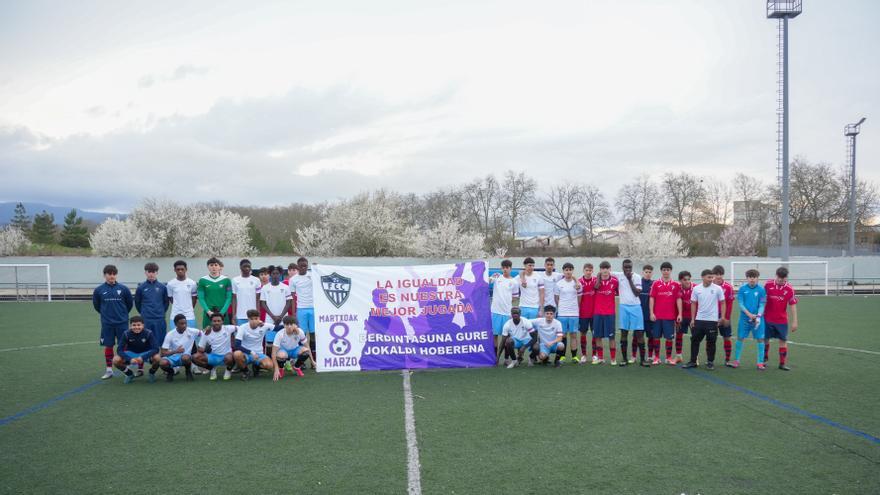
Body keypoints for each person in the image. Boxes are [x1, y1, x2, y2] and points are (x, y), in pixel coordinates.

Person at [93, 264, 133, 379]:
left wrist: (122, 315)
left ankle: (125, 367)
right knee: (108, 346)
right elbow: (97, 306)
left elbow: (129, 305)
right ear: (104, 275)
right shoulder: (99, 290)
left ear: (116, 275)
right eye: (109, 274)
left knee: (123, 346)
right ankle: (109, 370)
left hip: (122, 322)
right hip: (107, 323)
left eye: (114, 274)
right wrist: (106, 315)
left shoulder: (124, 289)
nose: (112, 276)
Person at [682, 269, 726, 370]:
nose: (711, 279)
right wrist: (693, 319)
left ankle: (710, 362)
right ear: (703, 277)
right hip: (699, 319)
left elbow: (723, 302)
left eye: (712, 277)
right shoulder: (696, 289)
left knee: (711, 341)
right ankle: (693, 361)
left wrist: (722, 317)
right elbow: (693, 303)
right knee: (694, 340)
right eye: (709, 277)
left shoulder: (718, 289)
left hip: (712, 320)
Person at [763, 267, 799, 371]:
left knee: (783, 341)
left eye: (783, 279)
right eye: (779, 278)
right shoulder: (768, 285)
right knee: (765, 339)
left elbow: (792, 305)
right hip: (767, 318)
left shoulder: (789, 289)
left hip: (781, 320)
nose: (780, 280)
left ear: (786, 278)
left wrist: (795, 321)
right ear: (776, 275)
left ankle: (782, 364)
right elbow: (762, 300)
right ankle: (764, 360)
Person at [613, 259, 647, 366]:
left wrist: (629, 280)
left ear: (632, 267)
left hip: (636, 307)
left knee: (639, 333)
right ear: (622, 267)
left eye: (629, 267)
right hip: (623, 307)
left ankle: (642, 360)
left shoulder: (636, 277)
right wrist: (600, 277)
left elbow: (637, 293)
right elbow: (603, 272)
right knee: (624, 333)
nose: (627, 269)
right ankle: (624, 359)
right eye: (626, 267)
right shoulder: (618, 275)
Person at [649, 261, 682, 366]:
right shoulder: (656, 283)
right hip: (657, 316)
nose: (666, 272)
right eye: (664, 270)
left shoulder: (676, 284)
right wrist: (651, 313)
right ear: (661, 271)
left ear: (671, 271)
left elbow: (678, 299)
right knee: (656, 337)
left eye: (668, 270)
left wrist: (680, 314)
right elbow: (652, 298)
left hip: (669, 316)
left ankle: (668, 357)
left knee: (669, 338)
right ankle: (657, 357)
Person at [733, 269, 767, 370]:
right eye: (750, 277)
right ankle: (736, 361)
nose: (752, 279)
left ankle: (760, 363)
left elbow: (762, 304)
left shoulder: (761, 290)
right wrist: (749, 314)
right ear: (747, 278)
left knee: (760, 339)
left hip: (758, 319)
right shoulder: (742, 289)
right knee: (740, 338)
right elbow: (741, 303)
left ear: (757, 278)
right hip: (744, 319)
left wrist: (759, 316)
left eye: (754, 277)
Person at [112, 315, 160, 384]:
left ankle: (151, 373)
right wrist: (129, 359)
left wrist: (143, 357)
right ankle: (129, 374)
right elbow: (119, 350)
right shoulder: (126, 334)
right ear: (130, 326)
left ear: (143, 325)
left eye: (138, 325)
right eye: (134, 325)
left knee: (158, 358)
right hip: (131, 353)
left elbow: (156, 349)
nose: (136, 327)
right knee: (115, 360)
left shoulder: (148, 333)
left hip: (145, 353)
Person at [490, 259, 520, 362]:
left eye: (507, 267)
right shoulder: (497, 277)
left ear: (511, 269)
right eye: (503, 267)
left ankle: (506, 359)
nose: (505, 269)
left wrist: (506, 301)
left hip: (507, 313)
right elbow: (487, 280)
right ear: (501, 268)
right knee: (494, 336)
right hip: (495, 311)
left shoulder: (514, 282)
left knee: (507, 337)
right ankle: (495, 357)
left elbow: (515, 297)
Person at [193, 313, 237, 381]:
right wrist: (205, 350)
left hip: (226, 355)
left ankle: (228, 370)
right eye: (214, 321)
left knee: (233, 356)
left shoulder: (228, 328)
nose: (216, 323)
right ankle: (212, 369)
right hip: (213, 357)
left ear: (222, 322)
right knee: (195, 357)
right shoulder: (207, 332)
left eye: (219, 321)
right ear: (211, 322)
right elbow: (200, 348)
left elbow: (240, 328)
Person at [288, 257, 316, 362]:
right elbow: (292, 297)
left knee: (313, 334)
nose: (303, 267)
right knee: (301, 334)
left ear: (307, 265)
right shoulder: (293, 279)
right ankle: (302, 360)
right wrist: (294, 312)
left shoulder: (313, 275)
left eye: (305, 265)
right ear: (298, 266)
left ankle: (315, 358)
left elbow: (324, 278)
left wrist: (317, 268)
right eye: (301, 266)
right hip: (301, 309)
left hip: (313, 309)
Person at [159, 314, 202, 381]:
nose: (184, 325)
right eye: (181, 324)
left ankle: (188, 372)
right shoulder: (170, 334)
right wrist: (176, 351)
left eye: (185, 323)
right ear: (176, 324)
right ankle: (170, 372)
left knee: (186, 357)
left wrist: (207, 331)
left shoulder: (192, 331)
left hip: (185, 357)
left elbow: (203, 334)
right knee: (162, 363)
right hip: (172, 357)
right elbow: (163, 353)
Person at [234, 309, 275, 380]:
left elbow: (279, 328)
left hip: (259, 354)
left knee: (269, 366)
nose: (254, 321)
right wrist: (251, 352)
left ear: (259, 318)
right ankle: (246, 371)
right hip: (246, 353)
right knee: (237, 354)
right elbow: (237, 345)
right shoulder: (243, 327)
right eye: (251, 319)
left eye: (256, 318)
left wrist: (294, 328)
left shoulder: (264, 325)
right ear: (248, 319)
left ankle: (256, 367)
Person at [134, 262, 169, 347]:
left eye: (153, 272)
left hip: (159, 319)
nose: (151, 274)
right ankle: (147, 357)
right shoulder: (141, 287)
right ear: (145, 273)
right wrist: (144, 312)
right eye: (149, 272)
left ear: (157, 273)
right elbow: (137, 303)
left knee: (160, 341)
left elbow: (166, 302)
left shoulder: (162, 287)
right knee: (146, 340)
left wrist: (160, 312)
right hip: (146, 319)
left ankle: (158, 359)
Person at [554, 262, 582, 364]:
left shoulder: (578, 284)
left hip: (574, 313)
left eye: (570, 269)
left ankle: (574, 357)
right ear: (563, 271)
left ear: (572, 271)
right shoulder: (559, 284)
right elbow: (556, 298)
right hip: (562, 313)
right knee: (563, 335)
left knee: (573, 335)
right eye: (566, 270)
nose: (568, 271)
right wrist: (561, 307)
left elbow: (579, 299)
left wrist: (574, 307)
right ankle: (562, 357)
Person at [591, 261, 619, 365]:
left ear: (610, 269)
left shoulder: (615, 281)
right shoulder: (595, 281)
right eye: (603, 268)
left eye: (607, 268)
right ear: (600, 270)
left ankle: (613, 359)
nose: (605, 270)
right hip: (597, 313)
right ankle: (601, 358)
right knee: (597, 336)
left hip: (610, 313)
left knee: (611, 337)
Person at [260, 265, 293, 350]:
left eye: (277, 273)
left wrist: (281, 317)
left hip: (283, 319)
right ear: (270, 274)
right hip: (270, 319)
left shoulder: (285, 287)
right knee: (270, 343)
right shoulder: (265, 288)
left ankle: (284, 361)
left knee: (283, 342)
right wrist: (273, 317)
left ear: (280, 274)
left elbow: (289, 302)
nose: (275, 275)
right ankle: (271, 361)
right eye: (273, 273)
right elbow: (263, 303)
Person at [271, 315, 311, 380]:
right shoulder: (279, 334)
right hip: (283, 352)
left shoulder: (300, 331)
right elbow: (273, 353)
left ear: (295, 325)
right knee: (281, 355)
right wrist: (276, 368)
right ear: (284, 325)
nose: (289, 326)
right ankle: (281, 368)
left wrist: (312, 361)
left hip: (294, 351)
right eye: (287, 324)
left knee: (306, 351)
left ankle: (296, 367)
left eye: (291, 324)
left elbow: (307, 346)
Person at [197, 257, 232, 327]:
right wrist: (208, 311)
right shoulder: (202, 280)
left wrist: (222, 312)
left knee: (225, 334)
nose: (214, 267)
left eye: (216, 265)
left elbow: (229, 298)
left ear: (220, 267)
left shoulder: (226, 280)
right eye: (211, 265)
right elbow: (201, 298)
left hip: (223, 312)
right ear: (208, 267)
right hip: (209, 313)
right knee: (207, 333)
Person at [712, 265, 735, 366]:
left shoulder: (728, 287)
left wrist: (726, 317)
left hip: (724, 315)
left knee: (727, 337)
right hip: (711, 316)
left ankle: (727, 359)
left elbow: (729, 304)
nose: (718, 276)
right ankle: (710, 359)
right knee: (711, 338)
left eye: (720, 274)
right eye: (716, 274)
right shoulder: (709, 285)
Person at [166, 260, 198, 328]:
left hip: (189, 316)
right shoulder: (170, 284)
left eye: (182, 269)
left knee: (190, 337)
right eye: (178, 269)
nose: (180, 271)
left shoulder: (192, 283)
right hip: (175, 315)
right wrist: (179, 306)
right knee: (176, 337)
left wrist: (189, 308)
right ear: (174, 270)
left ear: (186, 269)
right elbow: (171, 298)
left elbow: (194, 298)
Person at [231, 259, 261, 325]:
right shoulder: (235, 280)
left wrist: (258, 314)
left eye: (249, 266)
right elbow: (234, 299)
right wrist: (233, 315)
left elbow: (258, 299)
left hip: (253, 316)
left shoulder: (256, 280)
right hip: (240, 315)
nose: (247, 268)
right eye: (245, 266)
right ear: (240, 267)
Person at [578, 263, 597, 364]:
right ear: (583, 270)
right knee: (583, 333)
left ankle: (594, 355)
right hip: (583, 313)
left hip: (595, 313)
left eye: (590, 270)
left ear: (592, 271)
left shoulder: (596, 281)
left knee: (595, 333)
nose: (588, 272)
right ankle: (584, 355)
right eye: (586, 270)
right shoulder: (579, 282)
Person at [674, 271, 694, 364]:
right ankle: (679, 356)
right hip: (681, 316)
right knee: (678, 336)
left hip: (693, 317)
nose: (687, 281)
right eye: (684, 280)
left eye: (688, 279)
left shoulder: (696, 287)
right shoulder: (677, 288)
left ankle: (695, 357)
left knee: (695, 337)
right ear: (680, 280)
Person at [639, 264, 654, 363]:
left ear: (652, 273)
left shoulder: (654, 284)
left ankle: (650, 355)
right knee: (638, 336)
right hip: (639, 315)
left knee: (651, 336)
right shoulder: (638, 282)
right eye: (646, 272)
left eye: (649, 272)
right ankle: (633, 355)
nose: (648, 274)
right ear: (642, 272)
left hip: (650, 315)